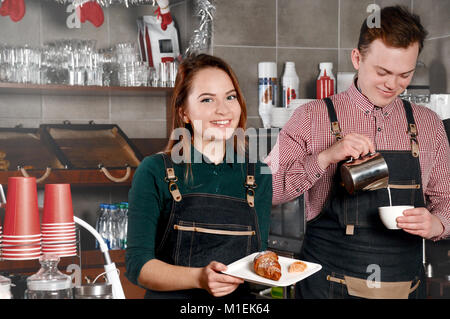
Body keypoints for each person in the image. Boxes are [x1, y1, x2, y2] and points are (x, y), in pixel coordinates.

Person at [266, 6, 450, 299]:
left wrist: (438, 223)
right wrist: (325, 157)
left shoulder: (428, 125)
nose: (393, 84)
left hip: (406, 288)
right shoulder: (312, 117)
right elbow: (268, 190)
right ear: (356, 58)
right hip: (327, 286)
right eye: (383, 72)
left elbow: (446, 200)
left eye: (405, 74)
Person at [125, 54, 272, 299]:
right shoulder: (155, 171)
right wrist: (199, 278)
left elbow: (257, 260)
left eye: (230, 96)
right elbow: (138, 266)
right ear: (184, 113)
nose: (223, 109)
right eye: (207, 100)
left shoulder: (258, 174)